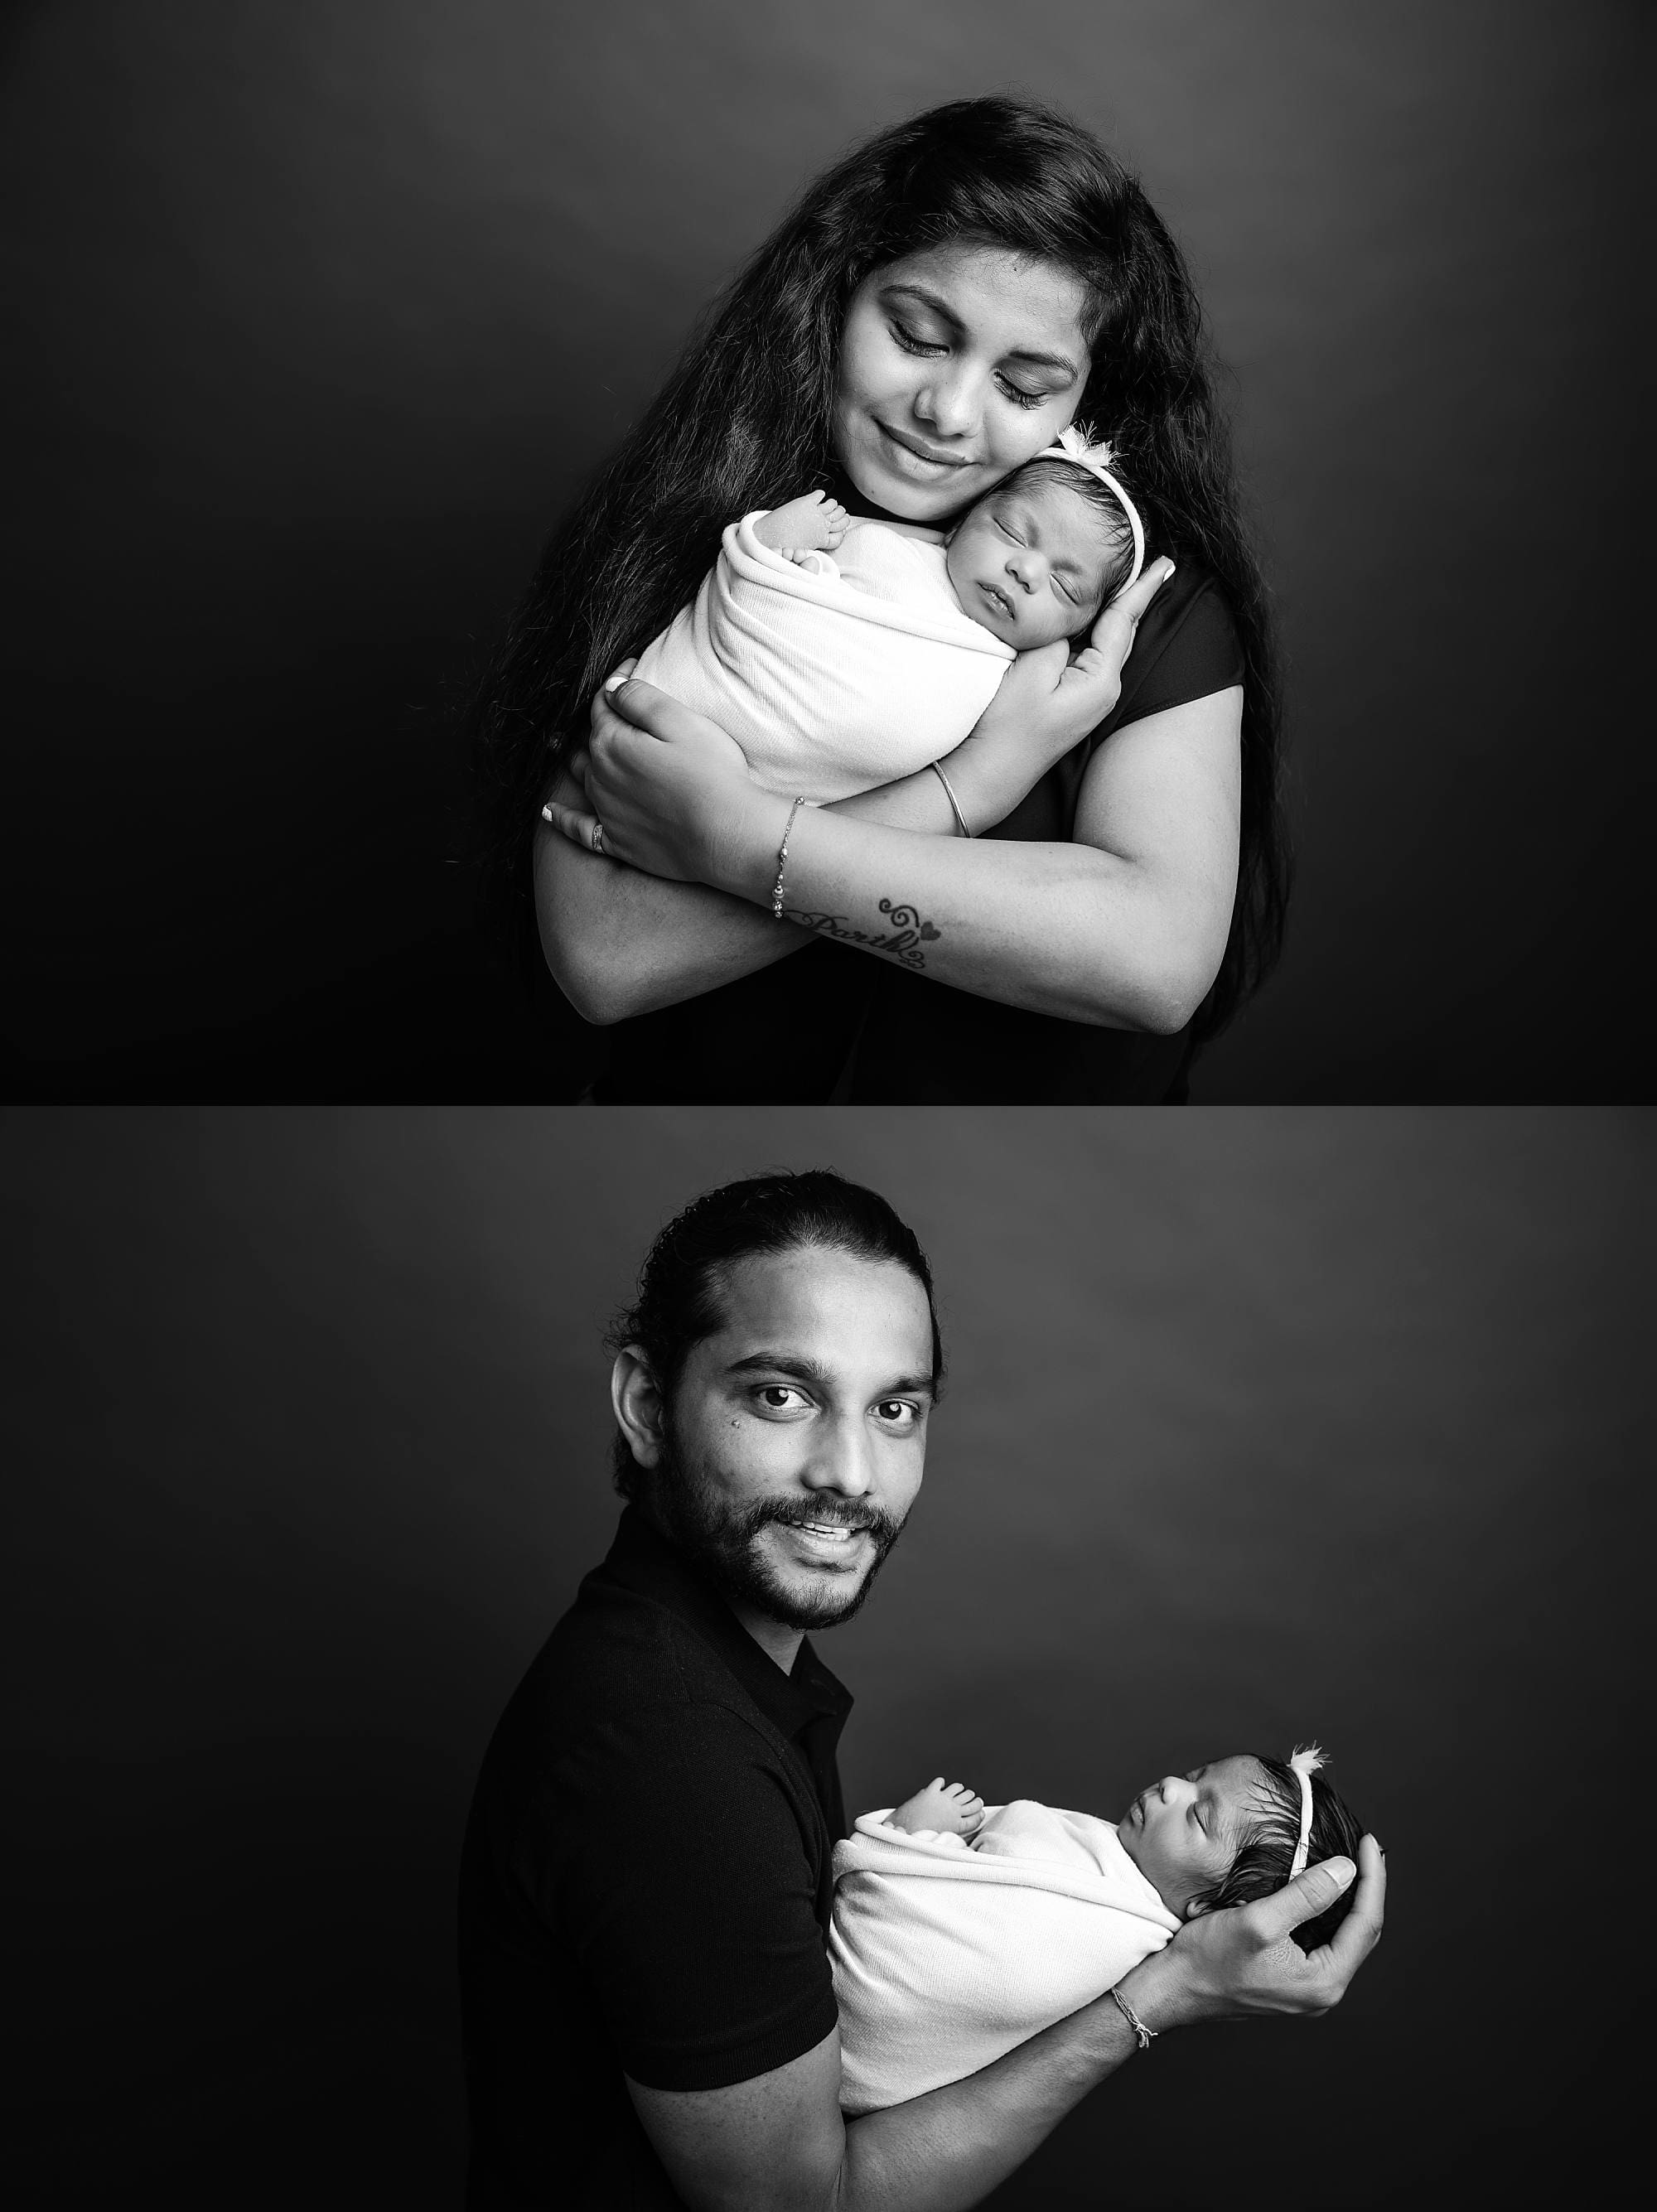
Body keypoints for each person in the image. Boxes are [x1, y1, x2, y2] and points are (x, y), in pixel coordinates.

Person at [456, 1171, 1384, 2210]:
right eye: (780, 1394)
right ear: (645, 1406)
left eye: (894, 1408)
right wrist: (1164, 1993)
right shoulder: (672, 1754)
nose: (850, 1471)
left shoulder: (726, 1671)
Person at [476, 96, 1291, 1104]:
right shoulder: (711, 539)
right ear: (834, 296)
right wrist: (971, 787)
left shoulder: (1139, 618)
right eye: (915, 334)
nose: (947, 412)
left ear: (1088, 409)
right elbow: (606, 958)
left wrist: (735, 839)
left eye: (1024, 387)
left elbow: (1152, 960)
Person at [594, 432, 1141, 808]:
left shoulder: (1010, 685)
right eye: (1014, 534)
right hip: (702, 701)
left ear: (1079, 627)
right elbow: (753, 583)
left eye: (1065, 586)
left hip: (764, 805)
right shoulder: (878, 546)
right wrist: (776, 542)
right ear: (963, 519)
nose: (1025, 570)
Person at [832, 1748, 1365, 2113]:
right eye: (1196, 1775)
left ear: (1206, 1905)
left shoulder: (1107, 1931)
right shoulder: (1103, 1862)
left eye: (1198, 1817)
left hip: (842, 2038)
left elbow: (974, 1961)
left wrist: (909, 1834)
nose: (1172, 1787)